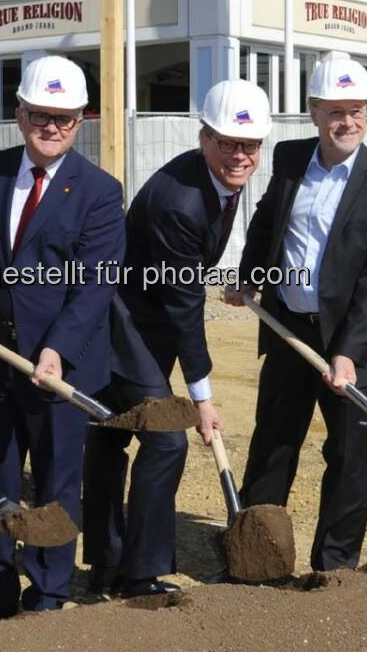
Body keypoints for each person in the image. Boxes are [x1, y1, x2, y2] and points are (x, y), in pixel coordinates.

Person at [0, 55, 126, 620]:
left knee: (56, 482)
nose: (52, 128)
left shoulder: (99, 190)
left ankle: (48, 594)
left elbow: (96, 284)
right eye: (41, 115)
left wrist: (57, 350)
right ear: (20, 113)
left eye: (66, 119)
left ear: (81, 121)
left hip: (60, 368)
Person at [230, 50, 367, 572]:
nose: (348, 121)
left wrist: (348, 353)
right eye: (336, 111)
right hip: (290, 328)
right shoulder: (291, 160)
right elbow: (267, 226)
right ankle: (257, 559)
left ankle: (335, 569)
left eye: (357, 109)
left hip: (356, 342)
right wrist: (251, 276)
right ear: (314, 111)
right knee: (273, 445)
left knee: (350, 458)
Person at [83, 78, 272, 597]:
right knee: (165, 438)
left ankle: (107, 567)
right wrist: (202, 399)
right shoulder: (179, 201)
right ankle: (138, 574)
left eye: (250, 145)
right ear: (204, 137)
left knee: (108, 439)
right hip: (121, 326)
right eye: (228, 143)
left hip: (146, 323)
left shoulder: (218, 182)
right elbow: (184, 302)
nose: (240, 155)